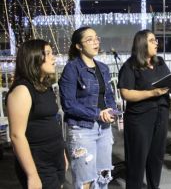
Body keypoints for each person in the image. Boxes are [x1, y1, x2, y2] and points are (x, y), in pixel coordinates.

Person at [118, 29, 171, 189]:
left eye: (156, 40)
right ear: (142, 44)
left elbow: (169, 87)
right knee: (137, 160)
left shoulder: (160, 62)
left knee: (156, 158)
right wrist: (152, 93)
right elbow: (126, 93)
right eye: (152, 40)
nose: (156, 43)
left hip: (161, 115)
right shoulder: (131, 65)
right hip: (139, 119)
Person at [59, 27, 119, 189]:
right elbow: (68, 104)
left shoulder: (103, 68)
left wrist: (111, 111)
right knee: (85, 180)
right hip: (82, 129)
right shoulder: (72, 69)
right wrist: (98, 114)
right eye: (89, 39)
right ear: (79, 46)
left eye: (97, 38)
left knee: (103, 176)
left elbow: (108, 96)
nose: (95, 42)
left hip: (104, 129)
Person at [7, 39, 67, 189]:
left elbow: (51, 122)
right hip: (38, 161)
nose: (53, 58)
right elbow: (16, 136)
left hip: (55, 156)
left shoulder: (45, 87)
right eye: (47, 54)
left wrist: (62, 155)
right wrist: (32, 175)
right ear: (33, 58)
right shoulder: (22, 90)